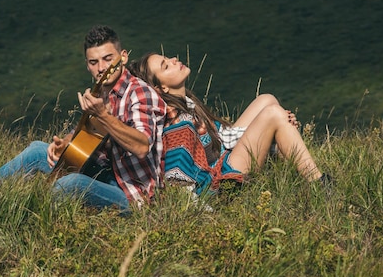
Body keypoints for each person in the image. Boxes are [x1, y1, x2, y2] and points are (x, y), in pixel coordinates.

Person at [0, 26, 167, 212]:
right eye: (93, 62)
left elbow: (142, 147)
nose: (101, 68)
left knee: (69, 184)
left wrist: (103, 116)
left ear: (123, 57)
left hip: (135, 195)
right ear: (87, 65)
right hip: (108, 175)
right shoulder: (102, 93)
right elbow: (85, 135)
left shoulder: (139, 93)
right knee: (38, 149)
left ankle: (32, 218)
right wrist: (64, 145)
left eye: (108, 59)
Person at [128, 52, 331, 195]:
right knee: (273, 114)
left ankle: (285, 155)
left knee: (266, 100)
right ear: (160, 87)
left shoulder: (187, 105)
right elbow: (176, 175)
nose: (173, 60)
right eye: (166, 66)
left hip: (223, 158)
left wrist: (272, 129)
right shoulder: (178, 125)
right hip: (224, 185)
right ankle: (318, 185)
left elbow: (221, 137)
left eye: (168, 59)